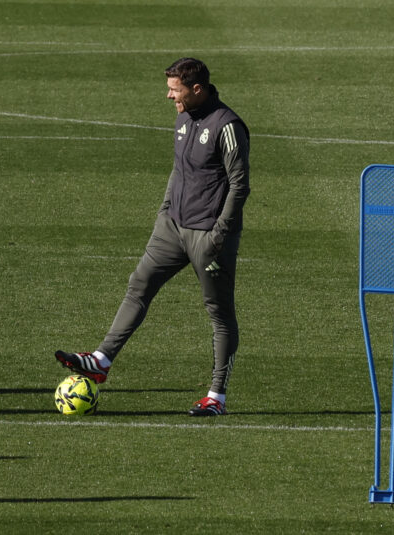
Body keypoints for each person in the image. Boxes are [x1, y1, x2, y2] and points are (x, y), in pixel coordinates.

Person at [55, 57, 250, 416]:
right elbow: (179, 170)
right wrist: (164, 212)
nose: (168, 96)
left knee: (219, 314)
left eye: (174, 90)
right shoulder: (182, 119)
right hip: (172, 228)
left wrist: (220, 233)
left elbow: (239, 186)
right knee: (139, 285)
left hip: (209, 237)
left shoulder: (228, 126)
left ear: (196, 89)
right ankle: (101, 360)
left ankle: (216, 397)